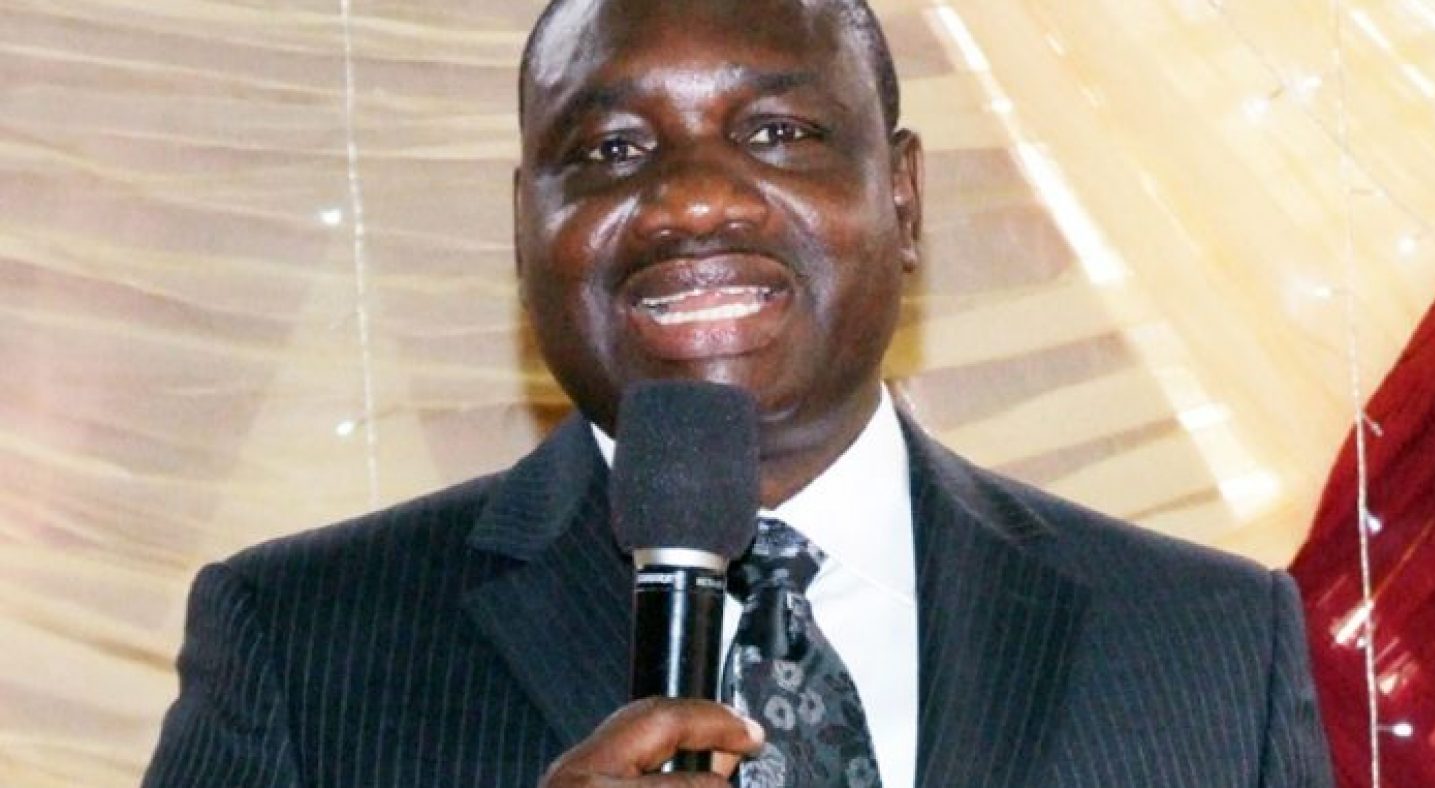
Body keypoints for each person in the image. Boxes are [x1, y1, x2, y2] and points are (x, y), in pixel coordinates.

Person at [144, 0, 1333, 785]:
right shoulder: (300, 640)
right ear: (524, 227)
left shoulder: (1209, 644)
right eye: (611, 150)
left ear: (904, 197)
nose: (692, 200)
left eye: (777, 131)